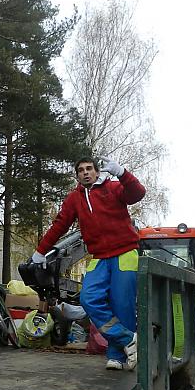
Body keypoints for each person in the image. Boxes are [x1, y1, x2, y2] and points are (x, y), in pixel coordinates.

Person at [32, 155, 146, 370]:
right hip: (99, 256)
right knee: (89, 298)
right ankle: (128, 339)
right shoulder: (74, 198)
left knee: (122, 304)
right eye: (81, 170)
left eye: (89, 169)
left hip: (125, 253)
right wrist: (40, 251)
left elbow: (137, 194)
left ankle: (117, 356)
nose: (85, 172)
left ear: (97, 172)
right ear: (77, 176)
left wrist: (122, 173)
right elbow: (59, 225)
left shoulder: (113, 188)